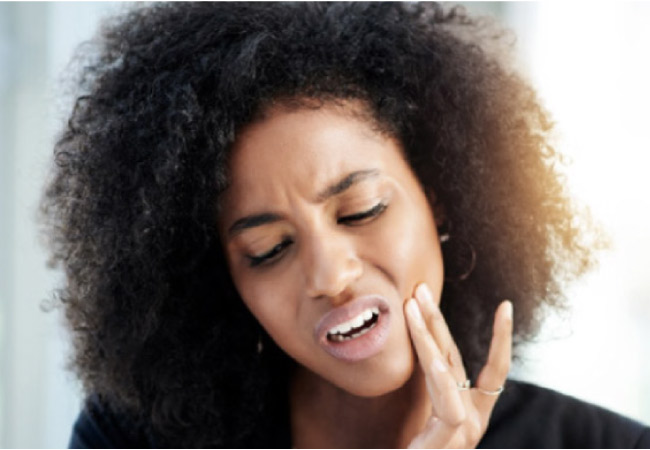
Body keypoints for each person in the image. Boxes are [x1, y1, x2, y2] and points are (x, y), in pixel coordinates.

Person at [41, 3, 649, 448]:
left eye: (361, 210)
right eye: (268, 249)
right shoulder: (130, 437)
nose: (330, 275)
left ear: (439, 198)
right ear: (225, 281)